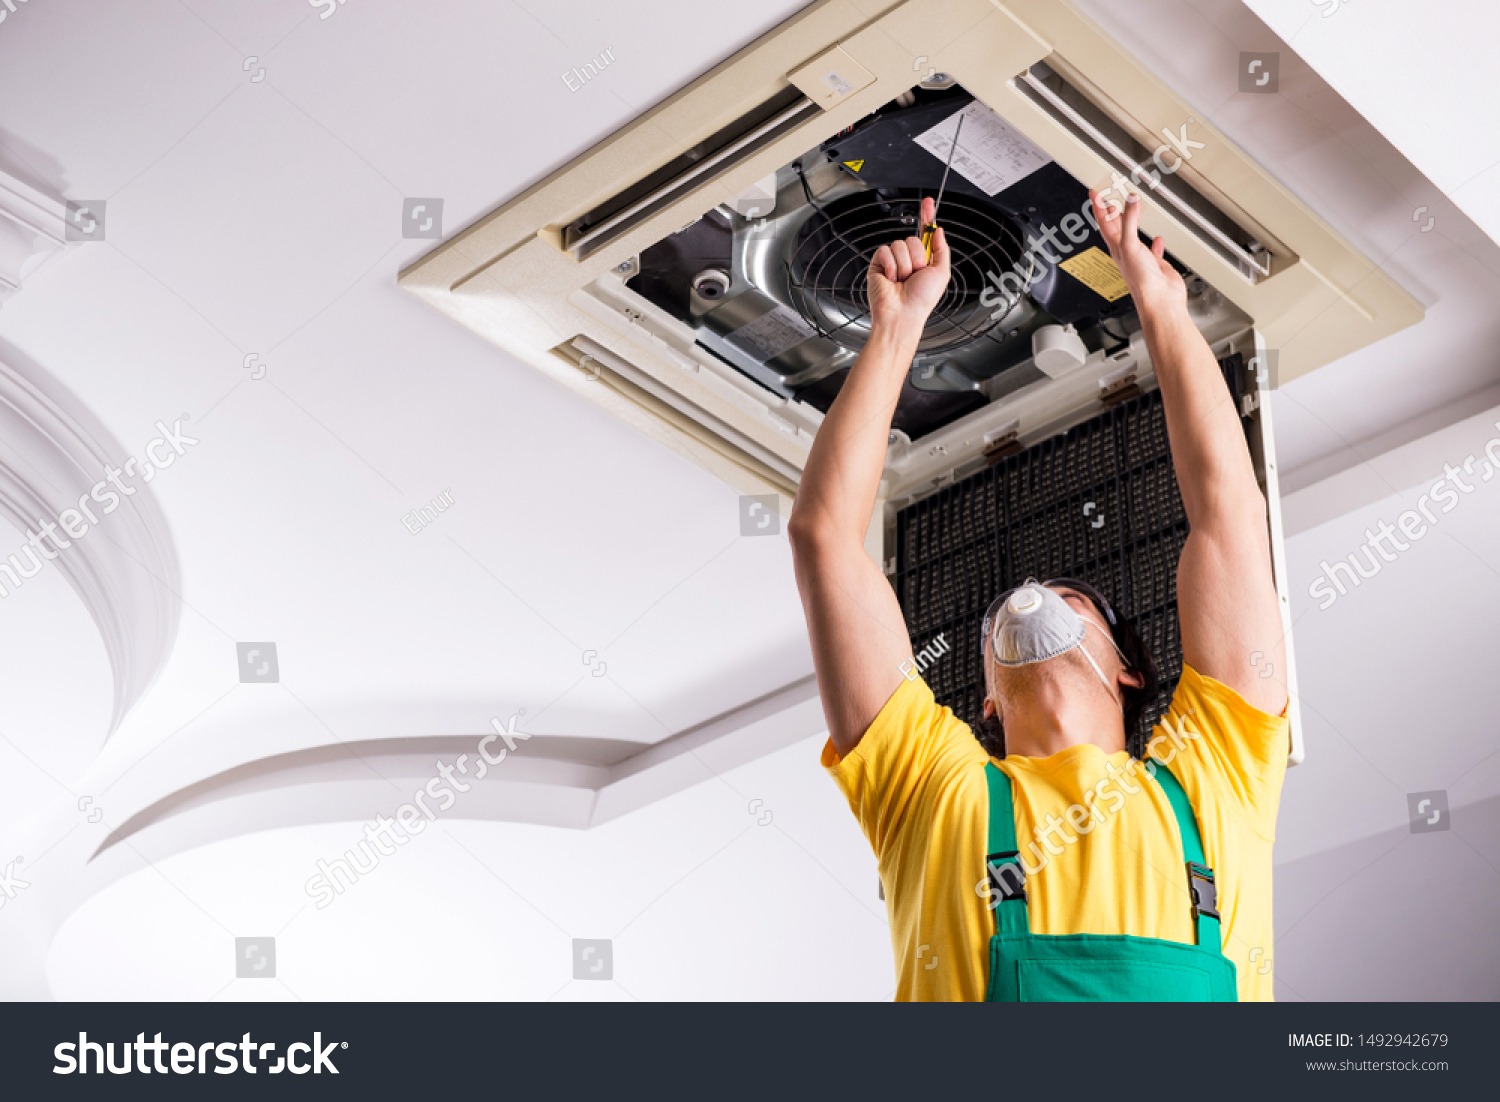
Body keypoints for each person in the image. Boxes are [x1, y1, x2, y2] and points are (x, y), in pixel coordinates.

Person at [787, 191, 1291, 1001]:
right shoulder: (937, 789)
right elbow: (826, 538)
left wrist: (1165, 311)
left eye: (1072, 596)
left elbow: (1229, 519)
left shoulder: (1212, 778)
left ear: (1130, 669)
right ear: (985, 705)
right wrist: (897, 328)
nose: (1033, 599)